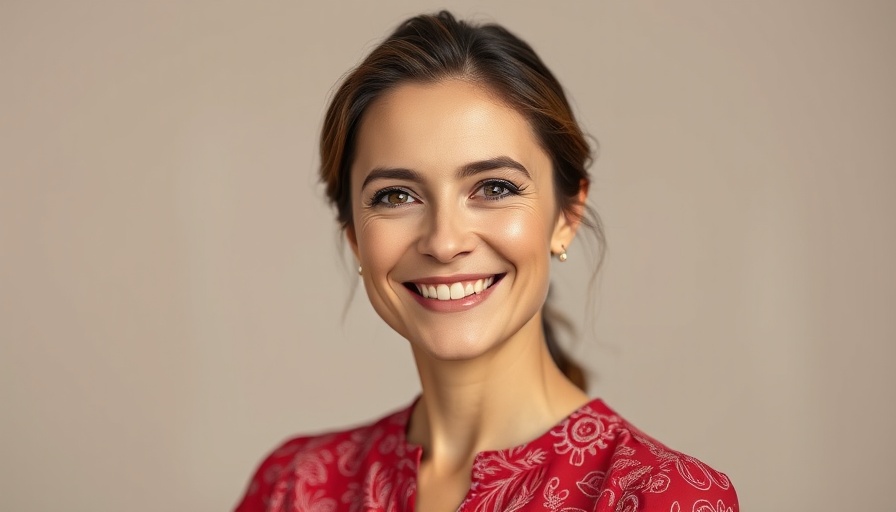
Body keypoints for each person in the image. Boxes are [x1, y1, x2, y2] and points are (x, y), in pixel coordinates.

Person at [235, 11, 738, 512]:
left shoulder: (659, 497)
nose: (445, 241)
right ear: (354, 238)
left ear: (567, 215)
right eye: (395, 196)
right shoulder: (293, 489)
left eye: (494, 188)